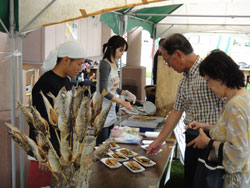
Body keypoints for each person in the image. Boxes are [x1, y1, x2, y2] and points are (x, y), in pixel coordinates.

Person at [146, 34, 224, 188]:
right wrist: (159, 140)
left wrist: (214, 138)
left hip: (210, 140)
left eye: (167, 60)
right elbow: (176, 112)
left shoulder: (209, 73)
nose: (168, 65)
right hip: (192, 138)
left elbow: (230, 107)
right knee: (190, 181)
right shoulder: (184, 80)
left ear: (178, 54)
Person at [186, 50, 250, 188]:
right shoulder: (244, 97)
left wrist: (209, 142)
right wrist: (206, 126)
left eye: (208, 80)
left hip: (234, 182)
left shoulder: (235, 105)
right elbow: (238, 133)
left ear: (220, 77)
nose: (208, 86)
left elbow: (238, 154)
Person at [28, 41, 85, 188]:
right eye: (78, 64)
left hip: (60, 147)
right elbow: (38, 121)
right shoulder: (46, 84)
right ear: (66, 60)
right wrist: (44, 153)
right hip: (46, 153)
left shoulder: (65, 80)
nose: (81, 68)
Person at [95, 35, 136, 146]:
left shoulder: (115, 63)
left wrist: (125, 92)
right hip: (102, 108)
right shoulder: (105, 64)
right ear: (112, 48)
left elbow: (112, 86)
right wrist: (123, 102)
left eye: (124, 51)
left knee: (109, 141)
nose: (122, 53)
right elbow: (103, 91)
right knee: (101, 144)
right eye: (121, 50)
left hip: (111, 108)